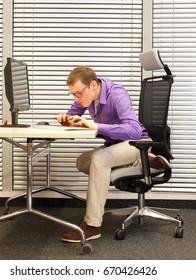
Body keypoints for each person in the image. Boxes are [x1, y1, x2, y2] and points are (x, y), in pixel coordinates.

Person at [55, 66, 170, 243]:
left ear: (93, 84)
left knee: (99, 160)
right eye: (73, 95)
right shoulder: (86, 96)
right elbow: (73, 115)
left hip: (136, 144)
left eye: (78, 94)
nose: (76, 99)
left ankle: (92, 226)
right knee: (82, 162)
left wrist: (96, 127)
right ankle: (142, 161)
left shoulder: (117, 95)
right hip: (116, 147)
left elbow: (134, 130)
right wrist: (66, 120)